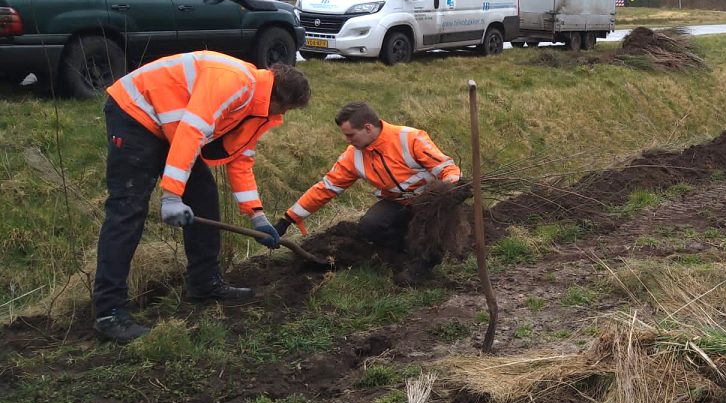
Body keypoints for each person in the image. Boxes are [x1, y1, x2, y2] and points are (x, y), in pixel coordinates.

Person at [93, 51, 311, 343]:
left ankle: (204, 283)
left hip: (172, 128)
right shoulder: (234, 83)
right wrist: (172, 195)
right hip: (136, 112)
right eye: (286, 110)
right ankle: (109, 312)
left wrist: (256, 215)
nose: (282, 117)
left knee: (204, 197)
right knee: (127, 209)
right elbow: (192, 130)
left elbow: (240, 158)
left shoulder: (256, 105)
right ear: (278, 98)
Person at [276, 101, 460, 248]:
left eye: (350, 135)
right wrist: (288, 219)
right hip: (397, 203)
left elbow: (446, 168)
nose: (347, 140)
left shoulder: (410, 138)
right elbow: (326, 188)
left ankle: (433, 246)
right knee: (370, 227)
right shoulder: (352, 156)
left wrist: (452, 188)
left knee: (433, 235)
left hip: (431, 201)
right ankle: (403, 251)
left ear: (368, 127)